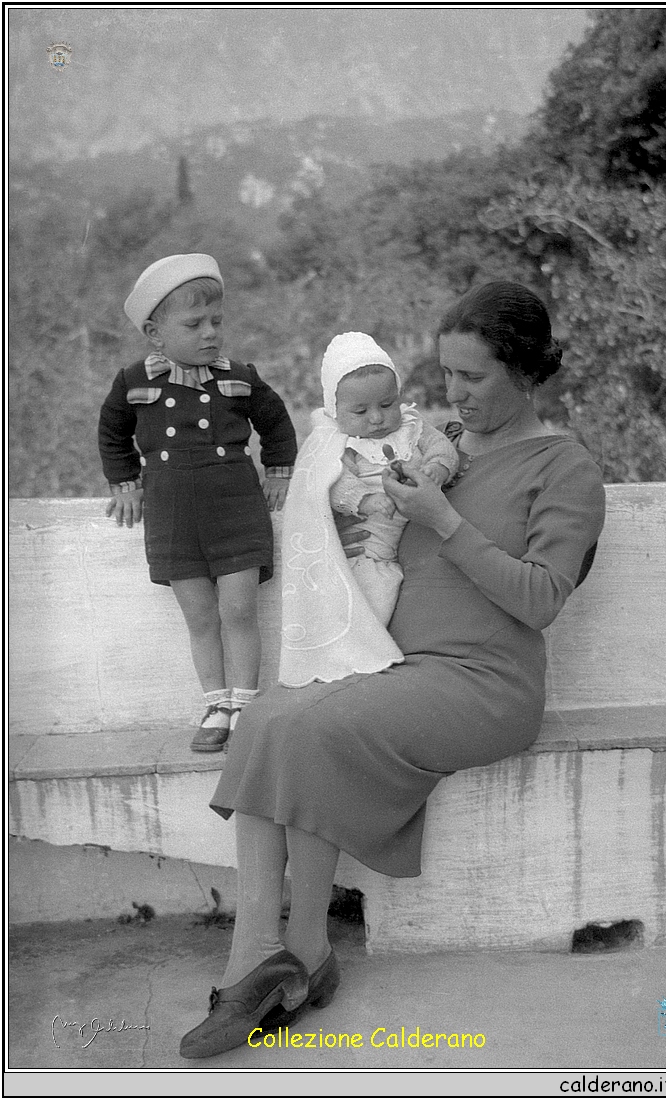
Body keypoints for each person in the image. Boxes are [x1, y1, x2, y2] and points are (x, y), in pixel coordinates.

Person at [179, 280, 606, 1059]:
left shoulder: (563, 465)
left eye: (472, 377)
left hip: (485, 684)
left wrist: (442, 520)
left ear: (524, 369)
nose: (454, 393)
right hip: (394, 666)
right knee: (273, 714)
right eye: (445, 374)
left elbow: (542, 599)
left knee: (314, 727)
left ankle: (277, 964)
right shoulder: (427, 447)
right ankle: (281, 954)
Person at [98, 254, 297, 752]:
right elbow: (112, 433)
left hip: (235, 511)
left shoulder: (240, 376)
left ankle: (246, 706)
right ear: (155, 332)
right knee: (201, 616)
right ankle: (215, 704)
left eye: (216, 321)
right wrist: (125, 484)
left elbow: (276, 423)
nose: (210, 333)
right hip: (171, 518)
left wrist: (278, 472)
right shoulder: (134, 382)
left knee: (239, 609)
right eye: (194, 324)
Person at [280, 331, 459, 687]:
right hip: (372, 546)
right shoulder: (335, 443)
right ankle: (357, 663)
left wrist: (436, 469)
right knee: (366, 601)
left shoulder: (412, 426)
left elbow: (444, 449)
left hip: (420, 532)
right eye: (360, 411)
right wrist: (363, 499)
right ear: (335, 410)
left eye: (387, 404)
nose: (377, 418)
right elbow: (328, 484)